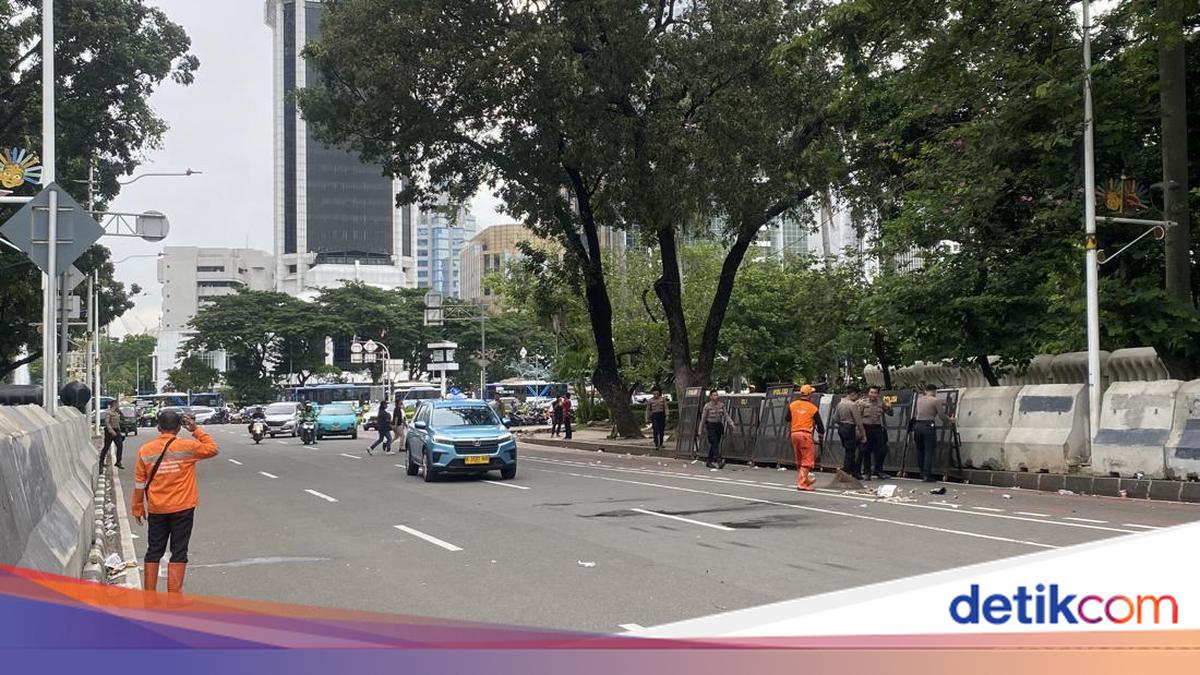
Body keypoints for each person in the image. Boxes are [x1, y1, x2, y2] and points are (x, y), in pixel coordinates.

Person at [132, 409, 219, 593]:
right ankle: (173, 597)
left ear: (158, 427)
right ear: (179, 427)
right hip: (183, 508)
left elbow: (140, 482)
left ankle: (149, 596)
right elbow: (212, 448)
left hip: (157, 508)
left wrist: (137, 506)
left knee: (154, 550)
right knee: (179, 551)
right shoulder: (188, 447)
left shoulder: (145, 450)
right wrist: (195, 429)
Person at [785, 384, 825, 491]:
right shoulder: (812, 408)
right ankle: (802, 483)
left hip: (794, 434)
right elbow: (820, 425)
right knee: (807, 459)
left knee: (799, 458)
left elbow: (787, 418)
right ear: (810, 394)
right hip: (805, 434)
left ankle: (805, 479)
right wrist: (821, 432)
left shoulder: (792, 405)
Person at [912, 384, 955, 482]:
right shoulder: (935, 401)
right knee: (928, 451)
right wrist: (950, 420)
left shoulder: (919, 399)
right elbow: (942, 416)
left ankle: (922, 473)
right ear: (934, 391)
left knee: (920, 450)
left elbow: (916, 413)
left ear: (925, 390)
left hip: (917, 426)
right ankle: (927, 475)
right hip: (928, 426)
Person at [858, 386, 893, 479]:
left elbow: (890, 413)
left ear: (878, 394)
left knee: (883, 450)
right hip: (865, 428)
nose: (873, 394)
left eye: (875, 393)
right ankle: (867, 472)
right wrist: (859, 431)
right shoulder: (862, 403)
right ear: (868, 393)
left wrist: (889, 407)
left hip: (877, 428)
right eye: (871, 392)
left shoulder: (880, 402)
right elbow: (857, 417)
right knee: (866, 451)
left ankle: (878, 470)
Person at [831, 386, 866, 479]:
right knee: (850, 451)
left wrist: (841, 424)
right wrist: (863, 434)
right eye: (857, 396)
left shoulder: (840, 404)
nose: (858, 399)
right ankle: (845, 470)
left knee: (848, 449)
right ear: (853, 394)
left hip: (841, 428)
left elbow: (835, 418)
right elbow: (858, 421)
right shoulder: (852, 405)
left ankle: (854, 472)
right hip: (849, 427)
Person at [700, 390, 734, 469]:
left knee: (715, 444)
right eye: (714, 395)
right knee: (714, 442)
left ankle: (709, 461)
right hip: (710, 426)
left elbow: (726, 415)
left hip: (718, 426)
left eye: (717, 395)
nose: (716, 396)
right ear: (711, 397)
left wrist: (731, 423)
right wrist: (700, 429)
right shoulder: (707, 406)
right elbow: (703, 419)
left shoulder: (721, 405)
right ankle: (719, 461)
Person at [99, 399, 126, 471]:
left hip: (117, 431)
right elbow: (107, 423)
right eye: (117, 404)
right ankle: (101, 462)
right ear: (114, 404)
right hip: (109, 432)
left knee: (120, 445)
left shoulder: (117, 412)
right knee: (106, 447)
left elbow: (120, 420)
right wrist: (111, 431)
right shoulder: (109, 413)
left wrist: (120, 412)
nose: (118, 405)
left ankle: (118, 462)